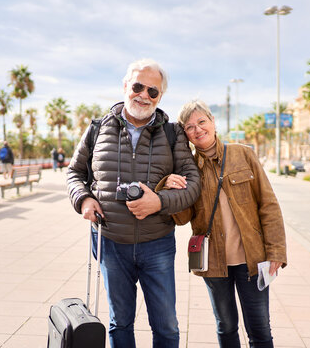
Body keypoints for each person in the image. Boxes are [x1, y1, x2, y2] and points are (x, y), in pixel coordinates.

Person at [67, 59, 201, 348]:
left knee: (166, 326)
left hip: (158, 244)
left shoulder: (172, 133)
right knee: (120, 323)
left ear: (160, 97)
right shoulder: (97, 128)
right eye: (138, 86)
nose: (144, 95)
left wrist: (160, 202)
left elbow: (194, 184)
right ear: (125, 86)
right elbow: (74, 173)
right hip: (111, 243)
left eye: (153, 91)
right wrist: (84, 200)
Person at [165, 100, 287, 348]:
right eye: (190, 127)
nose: (198, 130)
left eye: (202, 122)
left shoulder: (243, 154)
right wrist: (169, 189)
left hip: (251, 259)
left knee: (260, 328)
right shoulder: (187, 170)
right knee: (226, 326)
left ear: (213, 123)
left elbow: (269, 204)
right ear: (185, 135)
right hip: (213, 262)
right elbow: (181, 218)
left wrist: (276, 251)